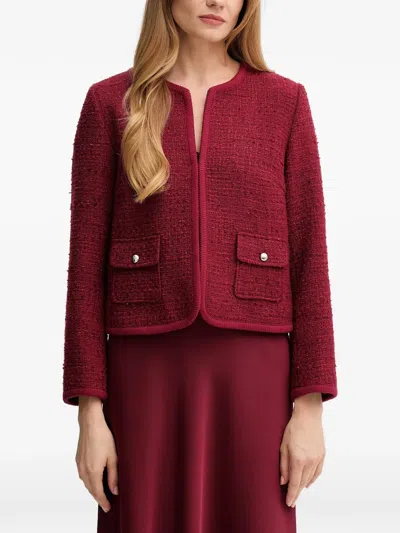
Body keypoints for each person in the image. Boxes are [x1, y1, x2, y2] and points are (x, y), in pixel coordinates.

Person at [62, 1, 339, 532]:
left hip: (255, 373)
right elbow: (84, 267)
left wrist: (310, 406)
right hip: (142, 373)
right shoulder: (109, 102)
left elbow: (311, 258)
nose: (217, 1)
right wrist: (89, 413)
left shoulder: (285, 102)